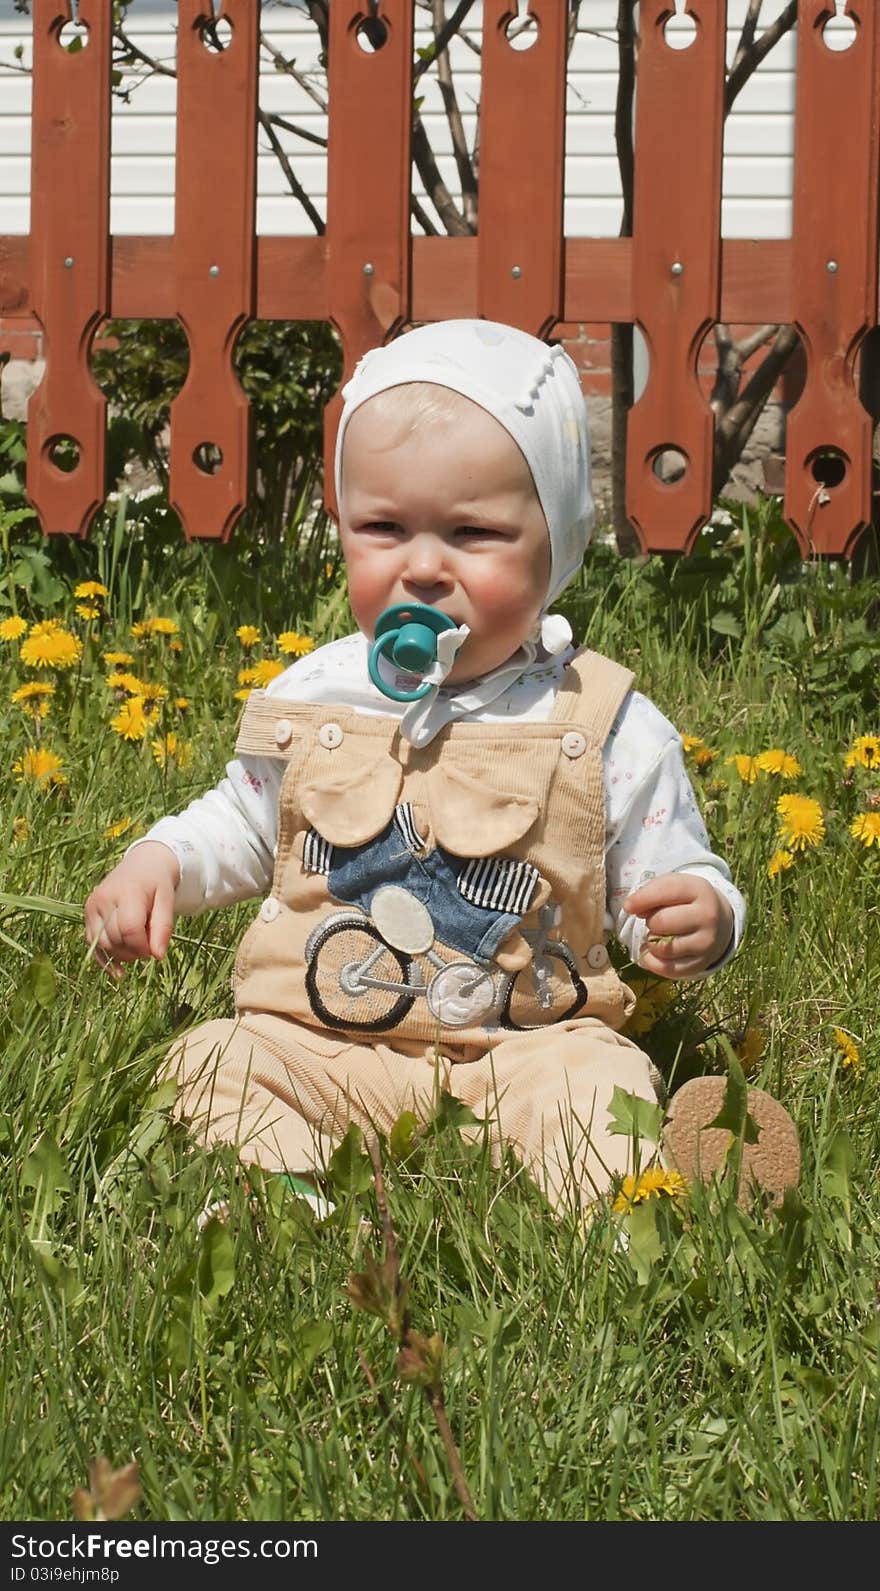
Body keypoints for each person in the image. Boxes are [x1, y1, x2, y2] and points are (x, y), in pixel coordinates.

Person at [84, 319, 800, 1214]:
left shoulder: (601, 720)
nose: (422, 566)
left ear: (557, 544)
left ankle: (614, 1217)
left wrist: (702, 910)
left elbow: (668, 866)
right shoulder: (318, 695)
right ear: (341, 525)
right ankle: (288, 1197)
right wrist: (161, 861)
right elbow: (245, 819)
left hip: (531, 1047)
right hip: (321, 1042)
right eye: (384, 527)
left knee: (600, 1089)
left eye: (473, 532)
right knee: (212, 1060)